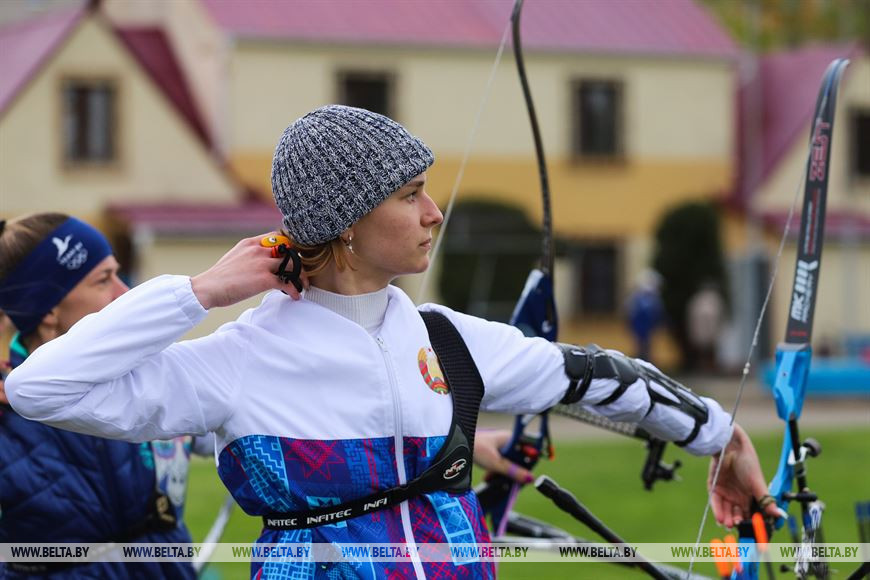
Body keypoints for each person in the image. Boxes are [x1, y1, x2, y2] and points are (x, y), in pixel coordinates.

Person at [6, 106, 779, 579]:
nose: (435, 213)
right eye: (410, 195)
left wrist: (721, 436)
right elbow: (41, 387)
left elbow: (595, 377)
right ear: (346, 222)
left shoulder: (447, 339)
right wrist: (201, 292)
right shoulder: (238, 361)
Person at [0, 213, 203, 579]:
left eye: (118, 274)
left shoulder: (151, 374)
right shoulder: (6, 413)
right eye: (103, 279)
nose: (125, 293)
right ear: (48, 309)